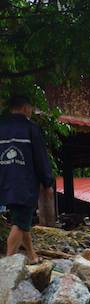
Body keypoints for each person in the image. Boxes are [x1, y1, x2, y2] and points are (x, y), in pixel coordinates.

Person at [0, 95, 54, 264]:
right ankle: (8, 265)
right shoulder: (31, 128)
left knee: (22, 218)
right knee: (20, 221)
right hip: (24, 183)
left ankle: (31, 255)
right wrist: (47, 182)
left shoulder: (1, 127)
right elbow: (40, 157)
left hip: (5, 181)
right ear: (25, 108)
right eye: (31, 108)